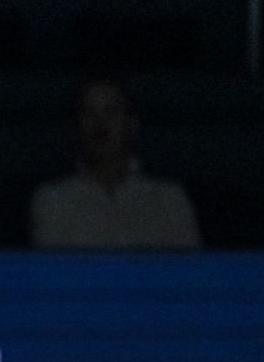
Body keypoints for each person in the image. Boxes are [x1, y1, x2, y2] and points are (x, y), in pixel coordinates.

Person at [30, 76, 201, 250]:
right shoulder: (54, 201)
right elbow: (52, 273)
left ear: (132, 123)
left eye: (111, 112)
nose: (100, 125)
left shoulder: (169, 200)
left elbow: (190, 272)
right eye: (89, 113)